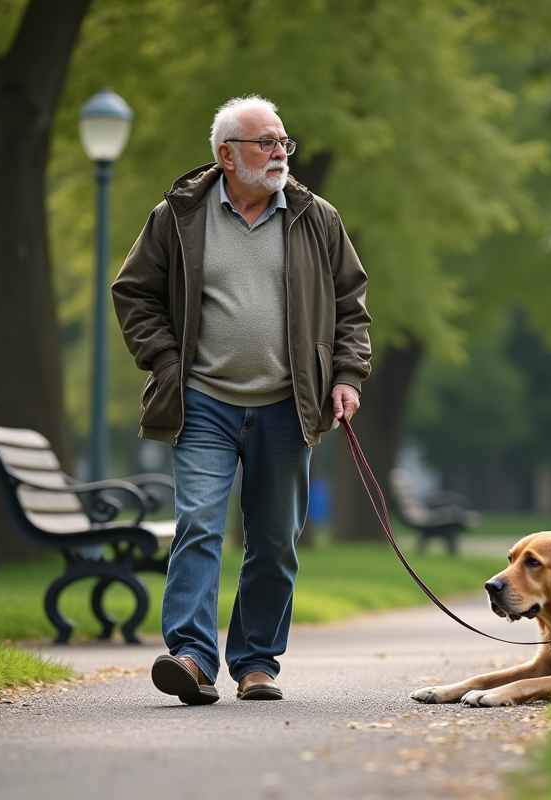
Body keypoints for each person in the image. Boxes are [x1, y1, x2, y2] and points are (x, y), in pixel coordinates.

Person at [112, 95, 371, 705]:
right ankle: (194, 659)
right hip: (202, 400)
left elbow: (350, 308)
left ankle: (256, 663)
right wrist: (169, 364)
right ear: (227, 155)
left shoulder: (315, 218)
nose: (280, 153)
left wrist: (346, 376)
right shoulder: (179, 216)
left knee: (276, 539)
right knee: (198, 525)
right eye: (266, 143)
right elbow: (134, 293)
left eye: (284, 142)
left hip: (287, 404)